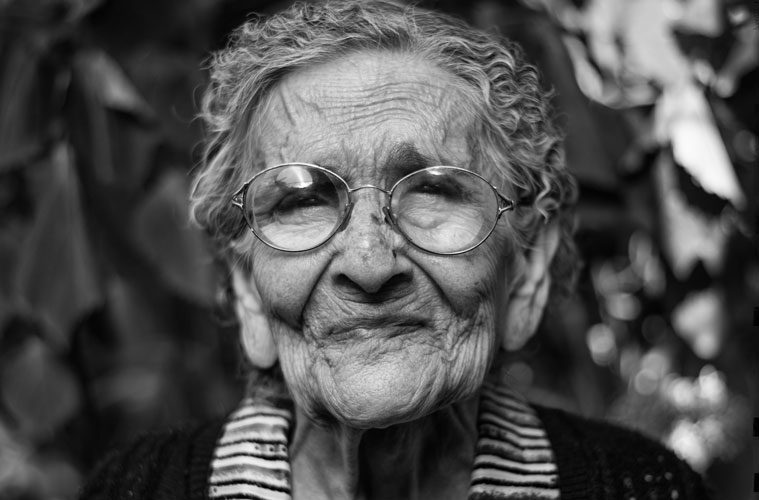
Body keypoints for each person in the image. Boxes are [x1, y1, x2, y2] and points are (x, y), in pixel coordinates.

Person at [80, 1, 712, 499]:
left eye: (435, 192)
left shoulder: (643, 488)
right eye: (302, 201)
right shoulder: (133, 490)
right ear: (246, 288)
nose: (368, 263)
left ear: (527, 273)